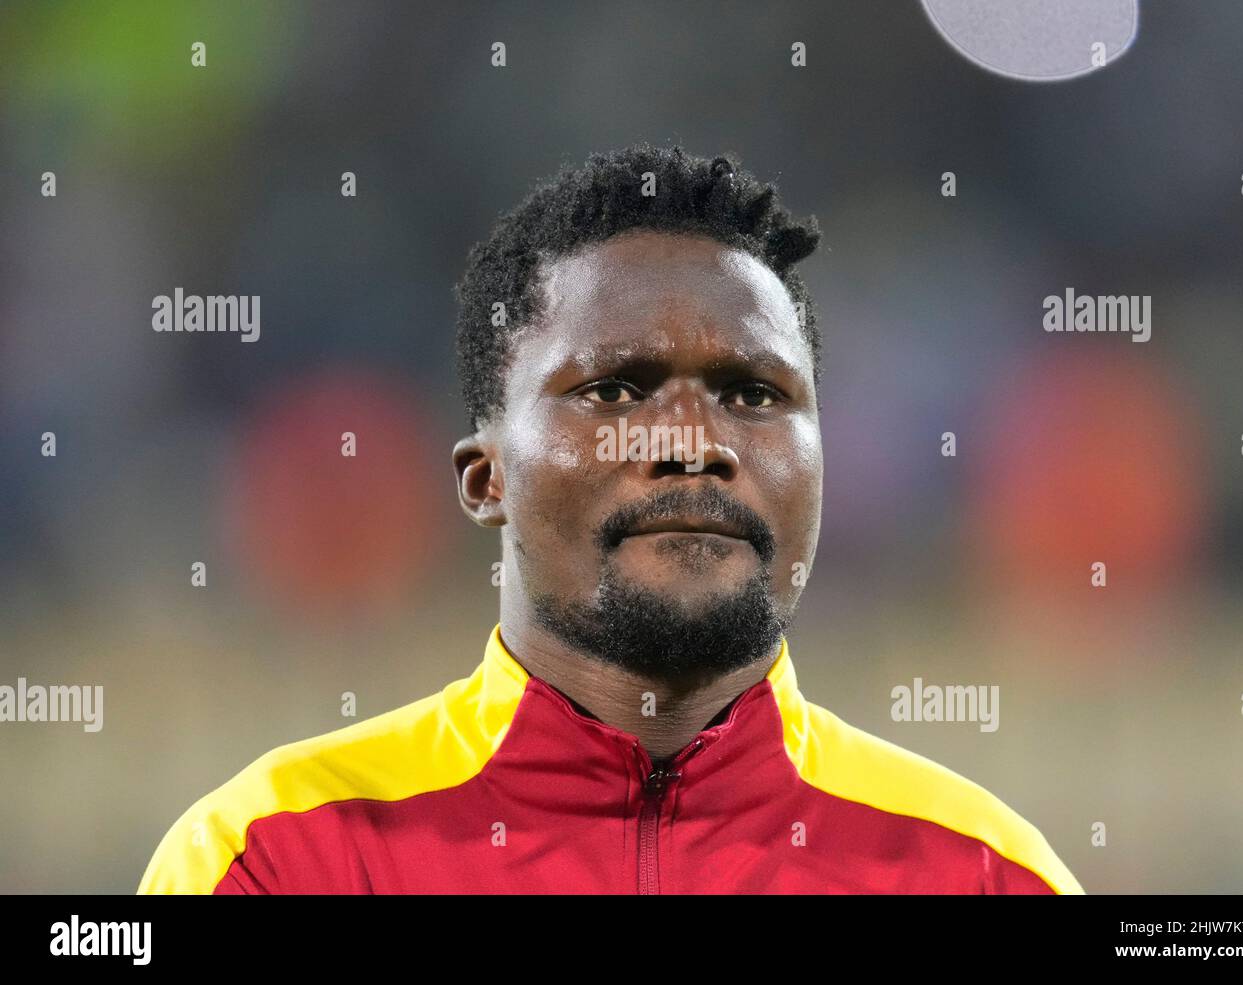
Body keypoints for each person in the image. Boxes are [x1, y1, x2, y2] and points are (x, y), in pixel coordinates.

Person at [139, 144, 1082, 894]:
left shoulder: (984, 873)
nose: (693, 442)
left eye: (753, 394)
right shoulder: (277, 861)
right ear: (485, 477)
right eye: (616, 389)